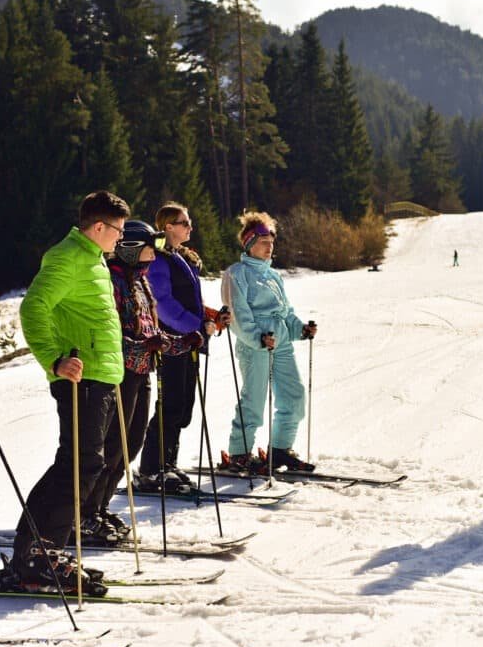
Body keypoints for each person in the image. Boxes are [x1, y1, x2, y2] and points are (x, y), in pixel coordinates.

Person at [7, 190, 128, 592]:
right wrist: (55, 359)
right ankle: (41, 552)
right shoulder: (67, 257)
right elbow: (33, 307)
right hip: (81, 375)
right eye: (117, 230)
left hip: (102, 375)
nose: (120, 238)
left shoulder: (93, 260)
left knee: (83, 463)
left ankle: (36, 550)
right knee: (80, 464)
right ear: (98, 227)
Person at [84, 221, 197, 543]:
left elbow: (150, 332)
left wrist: (180, 342)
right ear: (131, 248)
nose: (155, 252)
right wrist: (141, 346)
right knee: (111, 445)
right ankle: (86, 512)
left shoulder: (140, 281)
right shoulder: (112, 282)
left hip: (141, 371)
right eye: (149, 246)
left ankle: (100, 507)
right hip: (118, 374)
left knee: (130, 445)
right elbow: (112, 336)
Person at [219, 211, 318, 473]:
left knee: (294, 395)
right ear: (249, 244)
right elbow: (238, 314)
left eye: (271, 242)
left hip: (280, 340)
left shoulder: (274, 276)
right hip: (256, 344)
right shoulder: (236, 274)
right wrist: (257, 338)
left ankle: (280, 449)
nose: (269, 247)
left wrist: (300, 329)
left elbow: (285, 311)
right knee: (254, 400)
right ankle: (239, 452)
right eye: (264, 242)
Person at [137, 203, 224, 492]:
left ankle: (166, 464)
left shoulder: (178, 257)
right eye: (184, 223)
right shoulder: (160, 261)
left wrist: (208, 316)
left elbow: (188, 299)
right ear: (168, 227)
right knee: (171, 403)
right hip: (172, 341)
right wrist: (193, 326)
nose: (190, 227)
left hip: (188, 340)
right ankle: (151, 469)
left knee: (183, 405)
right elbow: (162, 304)